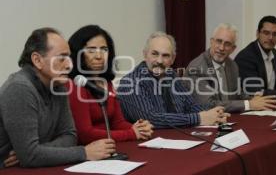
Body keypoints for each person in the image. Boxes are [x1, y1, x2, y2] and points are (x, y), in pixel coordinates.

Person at [0, 28, 116, 168]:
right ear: (37, 60)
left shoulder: (58, 84)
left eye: (69, 57)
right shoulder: (19, 88)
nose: (69, 65)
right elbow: (30, 157)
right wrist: (84, 152)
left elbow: (70, 136)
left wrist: (38, 149)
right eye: (62, 58)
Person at [117, 31, 230, 128]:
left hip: (178, 139)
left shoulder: (171, 75)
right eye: (155, 54)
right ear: (145, 54)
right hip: (147, 145)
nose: (160, 61)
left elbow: (190, 105)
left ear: (173, 59)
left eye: (165, 56)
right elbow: (151, 119)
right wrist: (199, 118)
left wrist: (213, 113)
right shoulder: (131, 82)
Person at [67, 25, 153, 144]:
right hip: (89, 151)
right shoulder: (75, 85)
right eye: (91, 50)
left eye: (104, 49)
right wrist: (131, 133)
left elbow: (117, 123)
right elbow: (85, 135)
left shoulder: (106, 82)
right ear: (78, 54)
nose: (99, 56)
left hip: (109, 146)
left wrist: (140, 129)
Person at [184, 23, 276, 113]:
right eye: (219, 41)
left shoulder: (232, 65)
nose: (221, 48)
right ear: (211, 42)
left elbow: (238, 94)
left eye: (227, 44)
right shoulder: (196, 68)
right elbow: (208, 105)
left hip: (229, 118)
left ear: (233, 49)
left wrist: (253, 99)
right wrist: (249, 104)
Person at [235, 16, 276, 101]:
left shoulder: (275, 54)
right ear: (258, 33)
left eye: (275, 34)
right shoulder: (246, 57)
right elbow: (256, 92)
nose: (270, 38)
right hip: (250, 108)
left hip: (270, 106)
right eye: (266, 33)